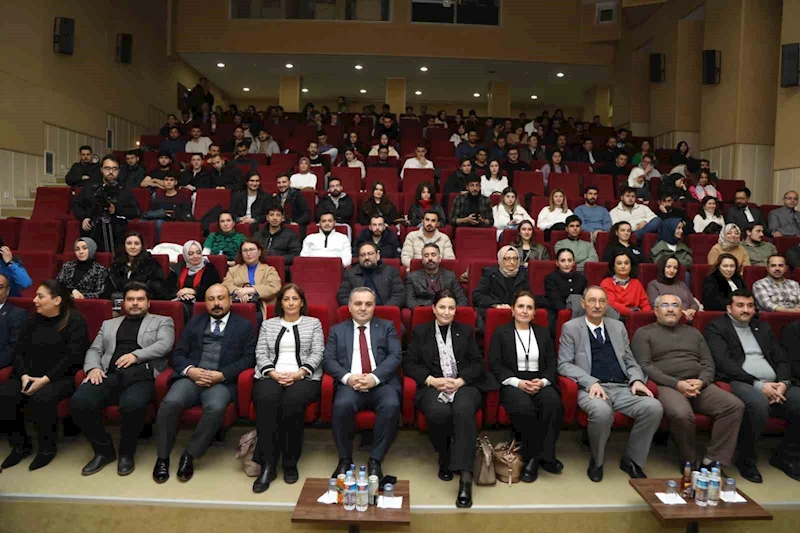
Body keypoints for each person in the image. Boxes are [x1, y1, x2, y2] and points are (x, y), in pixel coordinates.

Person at [557, 286, 663, 482]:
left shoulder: (617, 327)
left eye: (602, 301)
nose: (597, 305)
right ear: (583, 304)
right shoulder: (571, 328)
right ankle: (597, 461)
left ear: (607, 305)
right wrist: (591, 382)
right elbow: (564, 364)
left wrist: (637, 379)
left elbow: (629, 360)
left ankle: (632, 460)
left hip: (622, 387)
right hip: (591, 388)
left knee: (653, 407)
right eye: (592, 301)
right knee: (602, 412)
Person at [152, 284, 256, 483]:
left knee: (216, 408)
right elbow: (179, 353)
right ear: (205, 302)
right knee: (170, 402)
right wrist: (190, 370)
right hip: (192, 377)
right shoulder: (195, 322)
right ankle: (162, 458)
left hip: (221, 381)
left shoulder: (244, 326)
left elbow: (248, 359)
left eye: (221, 298)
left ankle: (189, 454)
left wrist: (222, 375)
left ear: (230, 300)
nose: (216, 303)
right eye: (211, 299)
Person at [71, 282, 174, 476]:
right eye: (130, 299)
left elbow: (165, 344)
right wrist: (93, 368)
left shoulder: (162, 321)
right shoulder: (108, 324)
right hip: (110, 374)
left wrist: (136, 355)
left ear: (148, 303)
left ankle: (126, 453)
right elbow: (95, 349)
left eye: (140, 299)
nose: (135, 303)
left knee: (131, 405)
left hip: (142, 375)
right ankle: (103, 450)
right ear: (123, 303)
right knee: (79, 401)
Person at [632, 294, 744, 470]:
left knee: (734, 406)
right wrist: (677, 384)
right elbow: (644, 366)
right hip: (666, 385)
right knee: (682, 414)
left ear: (681, 311)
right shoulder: (644, 333)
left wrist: (702, 381)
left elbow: (708, 363)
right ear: (655, 311)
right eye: (665, 305)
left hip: (698, 384)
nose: (670, 309)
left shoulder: (693, 332)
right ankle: (689, 460)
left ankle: (713, 459)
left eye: (675, 305)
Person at [405, 289, 490, 507]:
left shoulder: (465, 331)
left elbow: (477, 363)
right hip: (433, 385)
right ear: (433, 309)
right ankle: (445, 455)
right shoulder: (421, 332)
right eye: (442, 307)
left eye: (451, 308)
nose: (446, 312)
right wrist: (432, 381)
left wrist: (460, 381)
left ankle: (466, 477)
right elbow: (409, 364)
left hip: (463, 385)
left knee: (463, 409)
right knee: (438, 411)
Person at [704, 290, 800, 482]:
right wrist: (758, 385)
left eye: (750, 306)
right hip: (740, 381)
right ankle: (746, 459)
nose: (746, 310)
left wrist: (783, 382)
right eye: (740, 305)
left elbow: (781, 358)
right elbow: (724, 363)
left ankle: (786, 456)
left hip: (774, 383)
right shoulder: (717, 327)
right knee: (757, 403)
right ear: (729, 308)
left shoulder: (762, 326)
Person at [0, 280, 90, 470]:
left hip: (61, 377)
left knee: (42, 398)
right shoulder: (33, 320)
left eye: (40, 296)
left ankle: (46, 449)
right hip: (29, 374)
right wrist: (24, 375)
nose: (34, 300)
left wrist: (45, 380)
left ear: (57, 300)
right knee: (6, 394)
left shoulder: (74, 320)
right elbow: (19, 352)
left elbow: (73, 358)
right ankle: (20, 446)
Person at [323, 287, 402, 481]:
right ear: (349, 307)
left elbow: (395, 356)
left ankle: (375, 460)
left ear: (374, 307)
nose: (363, 308)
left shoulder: (387, 327)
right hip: (351, 384)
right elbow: (328, 360)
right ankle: (344, 459)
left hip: (381, 383)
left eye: (368, 304)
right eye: (358, 304)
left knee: (391, 405)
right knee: (342, 405)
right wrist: (348, 378)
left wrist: (374, 378)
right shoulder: (337, 330)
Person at [251, 283, 324, 492]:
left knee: (292, 403)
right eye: (286, 299)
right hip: (271, 375)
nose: (291, 303)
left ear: (302, 302)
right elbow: (260, 353)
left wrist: (299, 373)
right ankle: (268, 465)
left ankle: (290, 462)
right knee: (267, 401)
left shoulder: (313, 323)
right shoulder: (268, 324)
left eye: (295, 299)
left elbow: (318, 352)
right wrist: (273, 373)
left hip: (304, 377)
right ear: (280, 303)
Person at [490, 290, 564, 484]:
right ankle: (534, 458)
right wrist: (518, 383)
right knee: (524, 407)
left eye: (529, 307)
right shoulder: (501, 332)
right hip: (513, 382)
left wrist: (543, 381)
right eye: (520, 306)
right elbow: (495, 365)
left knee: (553, 403)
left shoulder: (543, 332)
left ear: (534, 312)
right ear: (512, 310)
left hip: (539, 380)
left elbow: (551, 363)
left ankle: (543, 455)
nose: (524, 311)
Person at [72, 154, 141, 252]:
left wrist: (116, 209)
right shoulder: (91, 187)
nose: (111, 172)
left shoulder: (124, 189)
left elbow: (136, 211)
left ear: (119, 171)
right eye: (107, 168)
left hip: (117, 235)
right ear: (101, 170)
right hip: (93, 232)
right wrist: (84, 218)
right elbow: (76, 205)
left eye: (115, 169)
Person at [222, 239, 281, 314]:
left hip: (261, 306)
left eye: (252, 250)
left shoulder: (269, 270)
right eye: (245, 250)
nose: (248, 253)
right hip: (237, 305)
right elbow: (225, 286)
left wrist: (250, 290)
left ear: (259, 252)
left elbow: (274, 287)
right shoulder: (233, 270)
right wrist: (239, 292)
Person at [337, 242, 405, 307]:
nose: (366, 257)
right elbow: (343, 295)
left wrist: (385, 309)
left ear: (378, 256)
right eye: (362, 255)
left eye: (370, 254)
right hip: (359, 312)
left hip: (384, 310)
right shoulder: (351, 273)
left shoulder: (390, 271)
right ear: (359, 258)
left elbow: (399, 294)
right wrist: (357, 307)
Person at [473, 246, 531, 321]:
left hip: (517, 314)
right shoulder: (491, 274)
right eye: (507, 258)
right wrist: (497, 305)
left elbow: (528, 296)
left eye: (515, 258)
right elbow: (477, 296)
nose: (512, 262)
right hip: (495, 313)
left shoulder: (523, 274)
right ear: (500, 260)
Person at [165, 240, 222, 311]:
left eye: (198, 253)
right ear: (185, 255)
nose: (195, 256)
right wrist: (180, 293)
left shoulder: (210, 269)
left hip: (201, 304)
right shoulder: (178, 268)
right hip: (179, 301)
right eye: (191, 254)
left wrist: (194, 291)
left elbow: (214, 289)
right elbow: (167, 289)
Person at [405, 244, 467, 308]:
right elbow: (410, 302)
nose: (430, 258)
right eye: (426, 255)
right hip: (422, 310)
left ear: (439, 259)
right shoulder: (412, 277)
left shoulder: (451, 276)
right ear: (422, 260)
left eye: (433, 255)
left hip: (446, 311)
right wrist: (423, 311)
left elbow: (462, 299)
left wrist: (451, 310)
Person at [108, 232, 165, 300]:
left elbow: (156, 289)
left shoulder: (152, 264)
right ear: (124, 246)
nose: (132, 247)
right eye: (129, 243)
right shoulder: (116, 264)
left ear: (142, 246)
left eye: (136, 244)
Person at [600, 252, 652, 318]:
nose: (623, 266)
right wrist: (630, 313)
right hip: (614, 317)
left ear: (631, 266)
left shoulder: (636, 283)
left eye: (626, 263)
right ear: (613, 266)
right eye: (619, 263)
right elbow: (611, 303)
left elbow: (645, 304)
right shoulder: (606, 282)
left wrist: (643, 316)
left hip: (635, 317)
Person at [544, 248, 588, 318]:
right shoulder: (550, 278)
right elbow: (555, 302)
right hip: (557, 314)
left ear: (574, 262)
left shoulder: (581, 278)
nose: (567, 264)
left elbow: (585, 298)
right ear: (557, 263)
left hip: (580, 313)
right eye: (563, 261)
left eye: (570, 260)